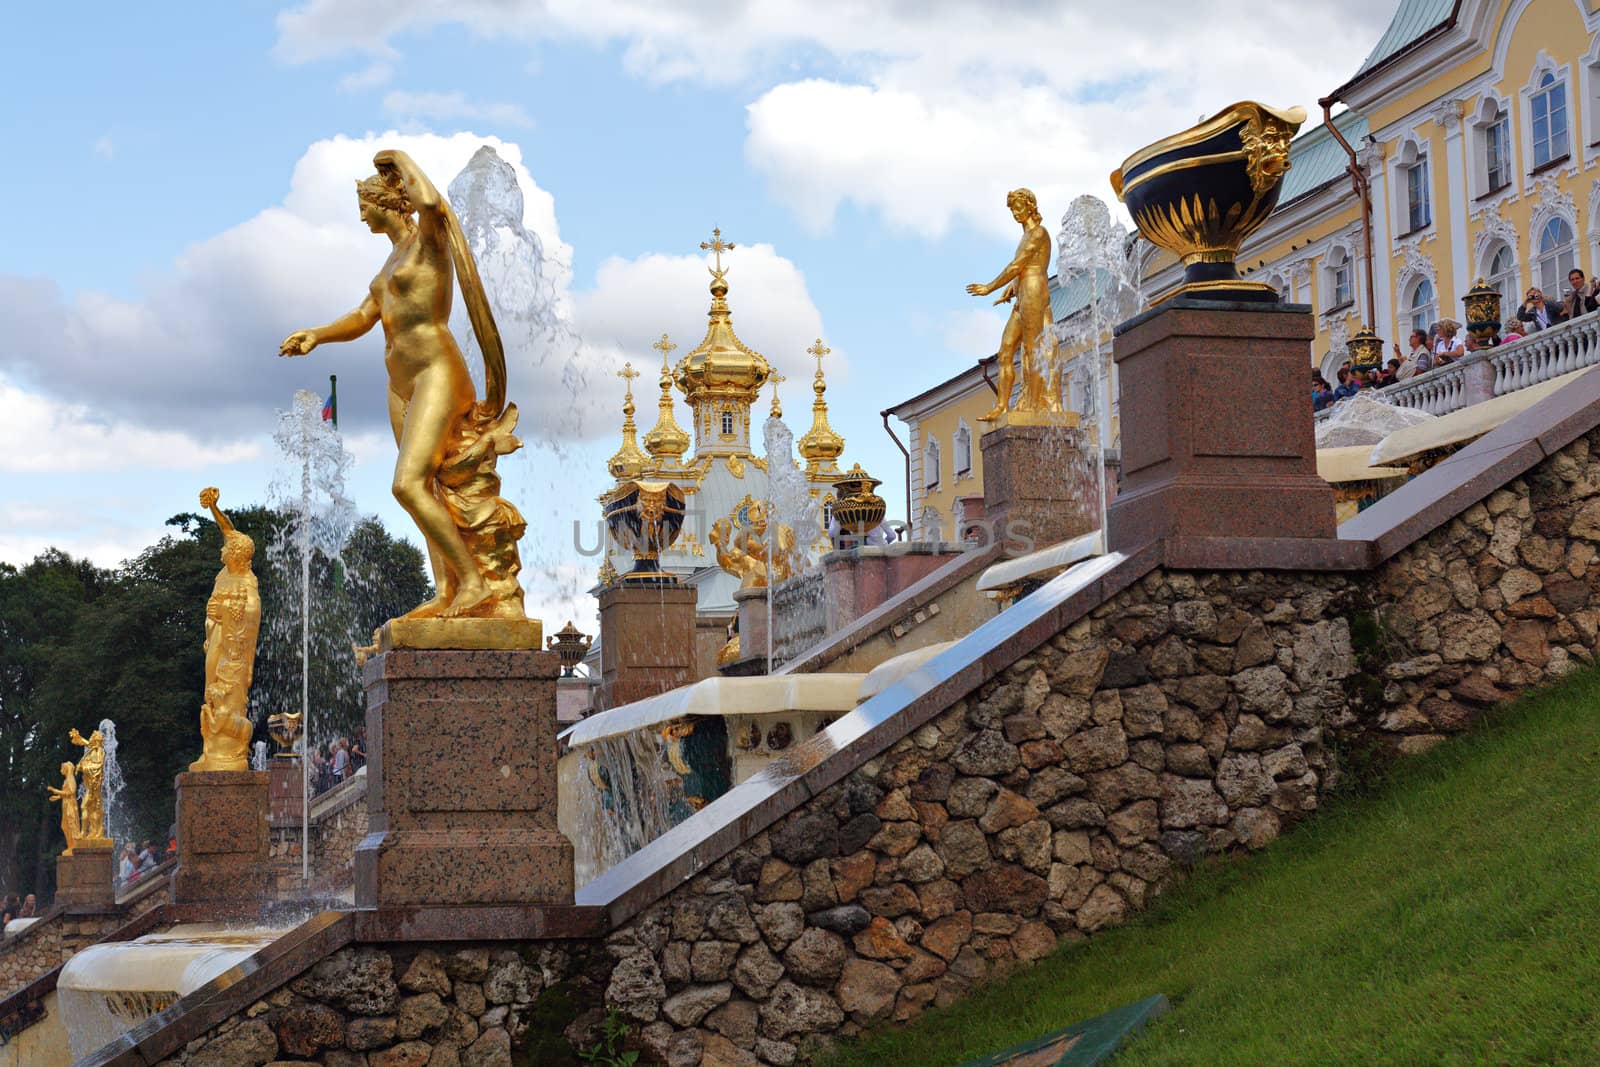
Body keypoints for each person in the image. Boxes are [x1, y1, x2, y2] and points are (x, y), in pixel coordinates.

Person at [280, 149, 510, 620]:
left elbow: (430, 203)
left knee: (406, 485)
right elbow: (365, 317)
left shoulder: (429, 239)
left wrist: (401, 159)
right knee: (427, 486)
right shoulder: (387, 266)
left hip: (437, 373)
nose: (361, 213)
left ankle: (473, 583)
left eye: (365, 203)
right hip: (401, 384)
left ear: (387, 199)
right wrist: (318, 335)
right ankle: (448, 591)